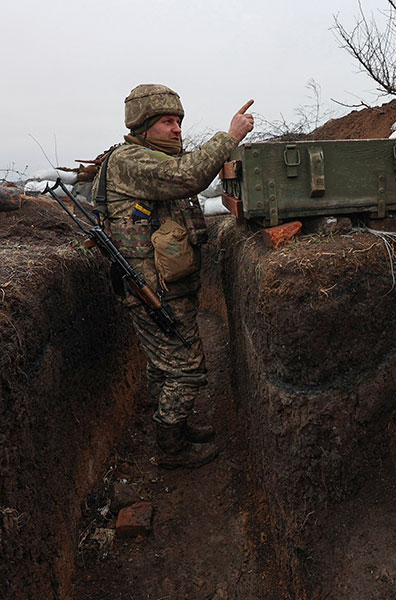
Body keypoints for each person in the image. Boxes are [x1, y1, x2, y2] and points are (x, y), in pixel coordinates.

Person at [93, 84, 254, 468]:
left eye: (179, 121)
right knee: (187, 368)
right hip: (153, 290)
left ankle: (175, 428)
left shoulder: (155, 159)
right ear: (143, 126)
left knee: (164, 366)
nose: (177, 129)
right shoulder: (132, 161)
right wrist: (230, 136)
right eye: (167, 121)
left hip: (168, 286)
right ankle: (171, 448)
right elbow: (190, 177)